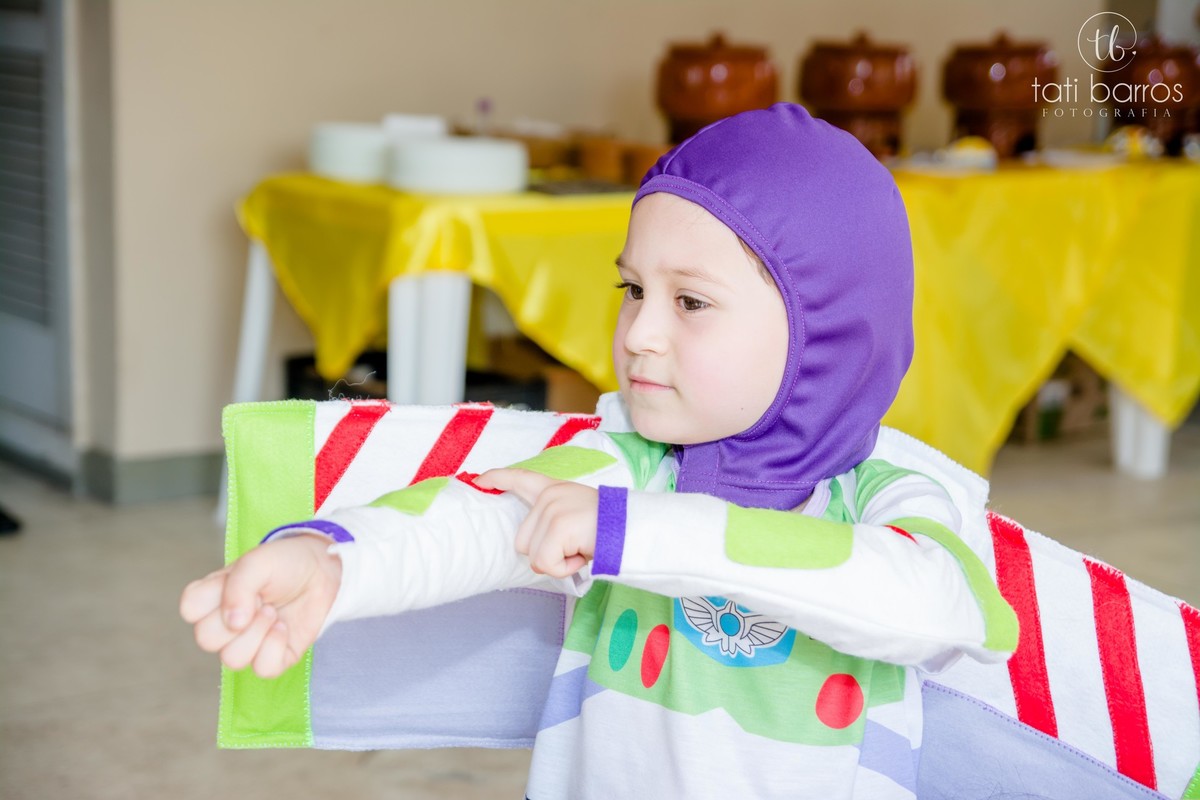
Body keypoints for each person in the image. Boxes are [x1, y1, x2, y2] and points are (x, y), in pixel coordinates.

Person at [181, 103, 1017, 799]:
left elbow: (940, 608)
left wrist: (635, 534)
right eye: (634, 291)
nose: (639, 334)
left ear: (826, 338)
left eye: (690, 301)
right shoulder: (628, 464)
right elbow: (483, 513)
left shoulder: (893, 495)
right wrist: (339, 560)